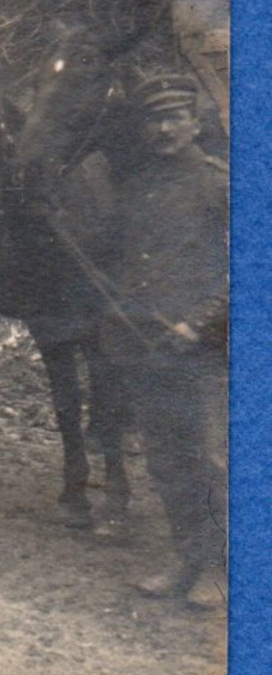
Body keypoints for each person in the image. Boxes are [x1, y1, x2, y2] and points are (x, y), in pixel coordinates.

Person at [105, 73, 228, 605]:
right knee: (166, 459)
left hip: (205, 350)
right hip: (148, 346)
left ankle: (222, 571)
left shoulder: (221, 184)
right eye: (154, 119)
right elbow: (129, 262)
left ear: (195, 124)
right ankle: (187, 559)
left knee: (210, 461)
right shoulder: (138, 187)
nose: (163, 128)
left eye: (174, 117)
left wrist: (200, 323)